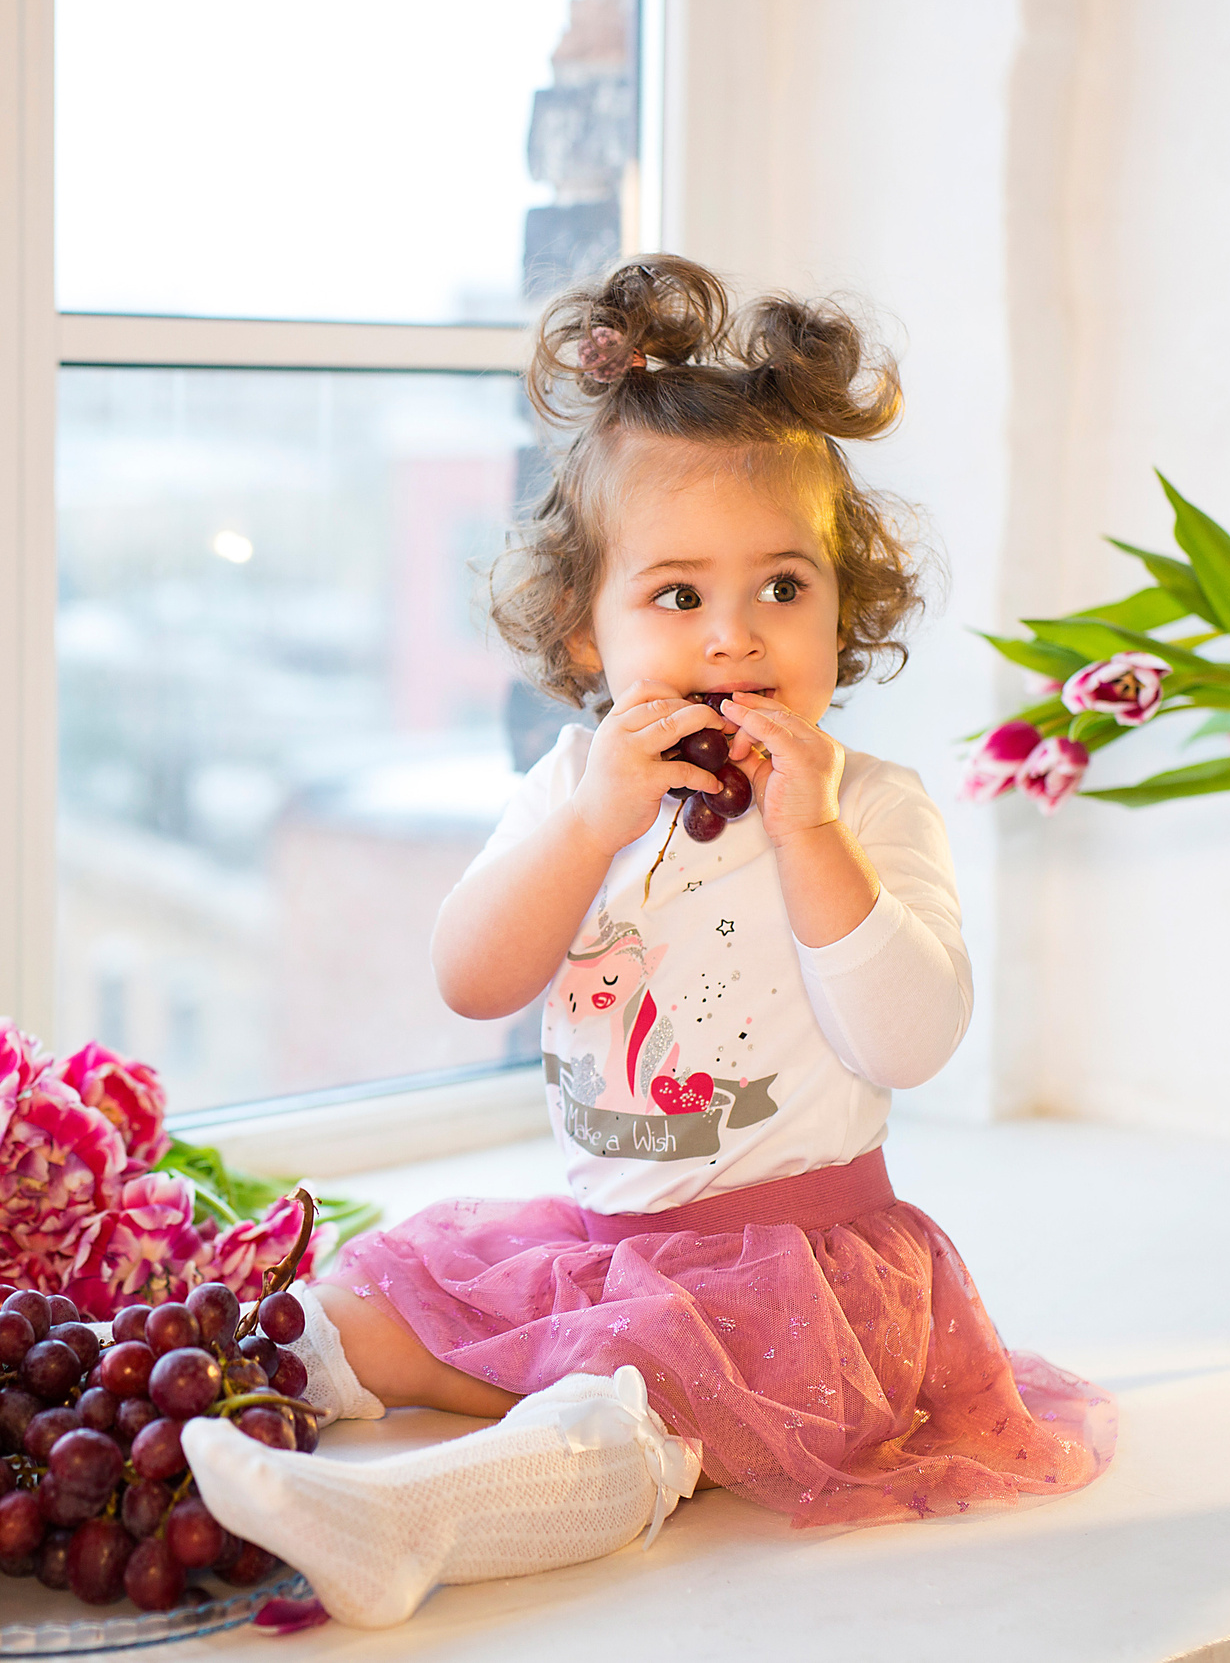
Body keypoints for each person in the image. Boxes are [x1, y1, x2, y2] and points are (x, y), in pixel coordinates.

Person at [183, 256, 1116, 1626]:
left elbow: (910, 1040)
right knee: (352, 1313)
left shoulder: (867, 809)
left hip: (788, 1277)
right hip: (595, 1245)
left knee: (620, 1417)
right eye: (678, 597)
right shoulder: (578, 793)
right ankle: (80, 1391)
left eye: (783, 588)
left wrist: (811, 844)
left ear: (841, 608)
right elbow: (471, 978)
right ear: (585, 629)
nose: (735, 636)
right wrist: (583, 831)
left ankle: (412, 1518)